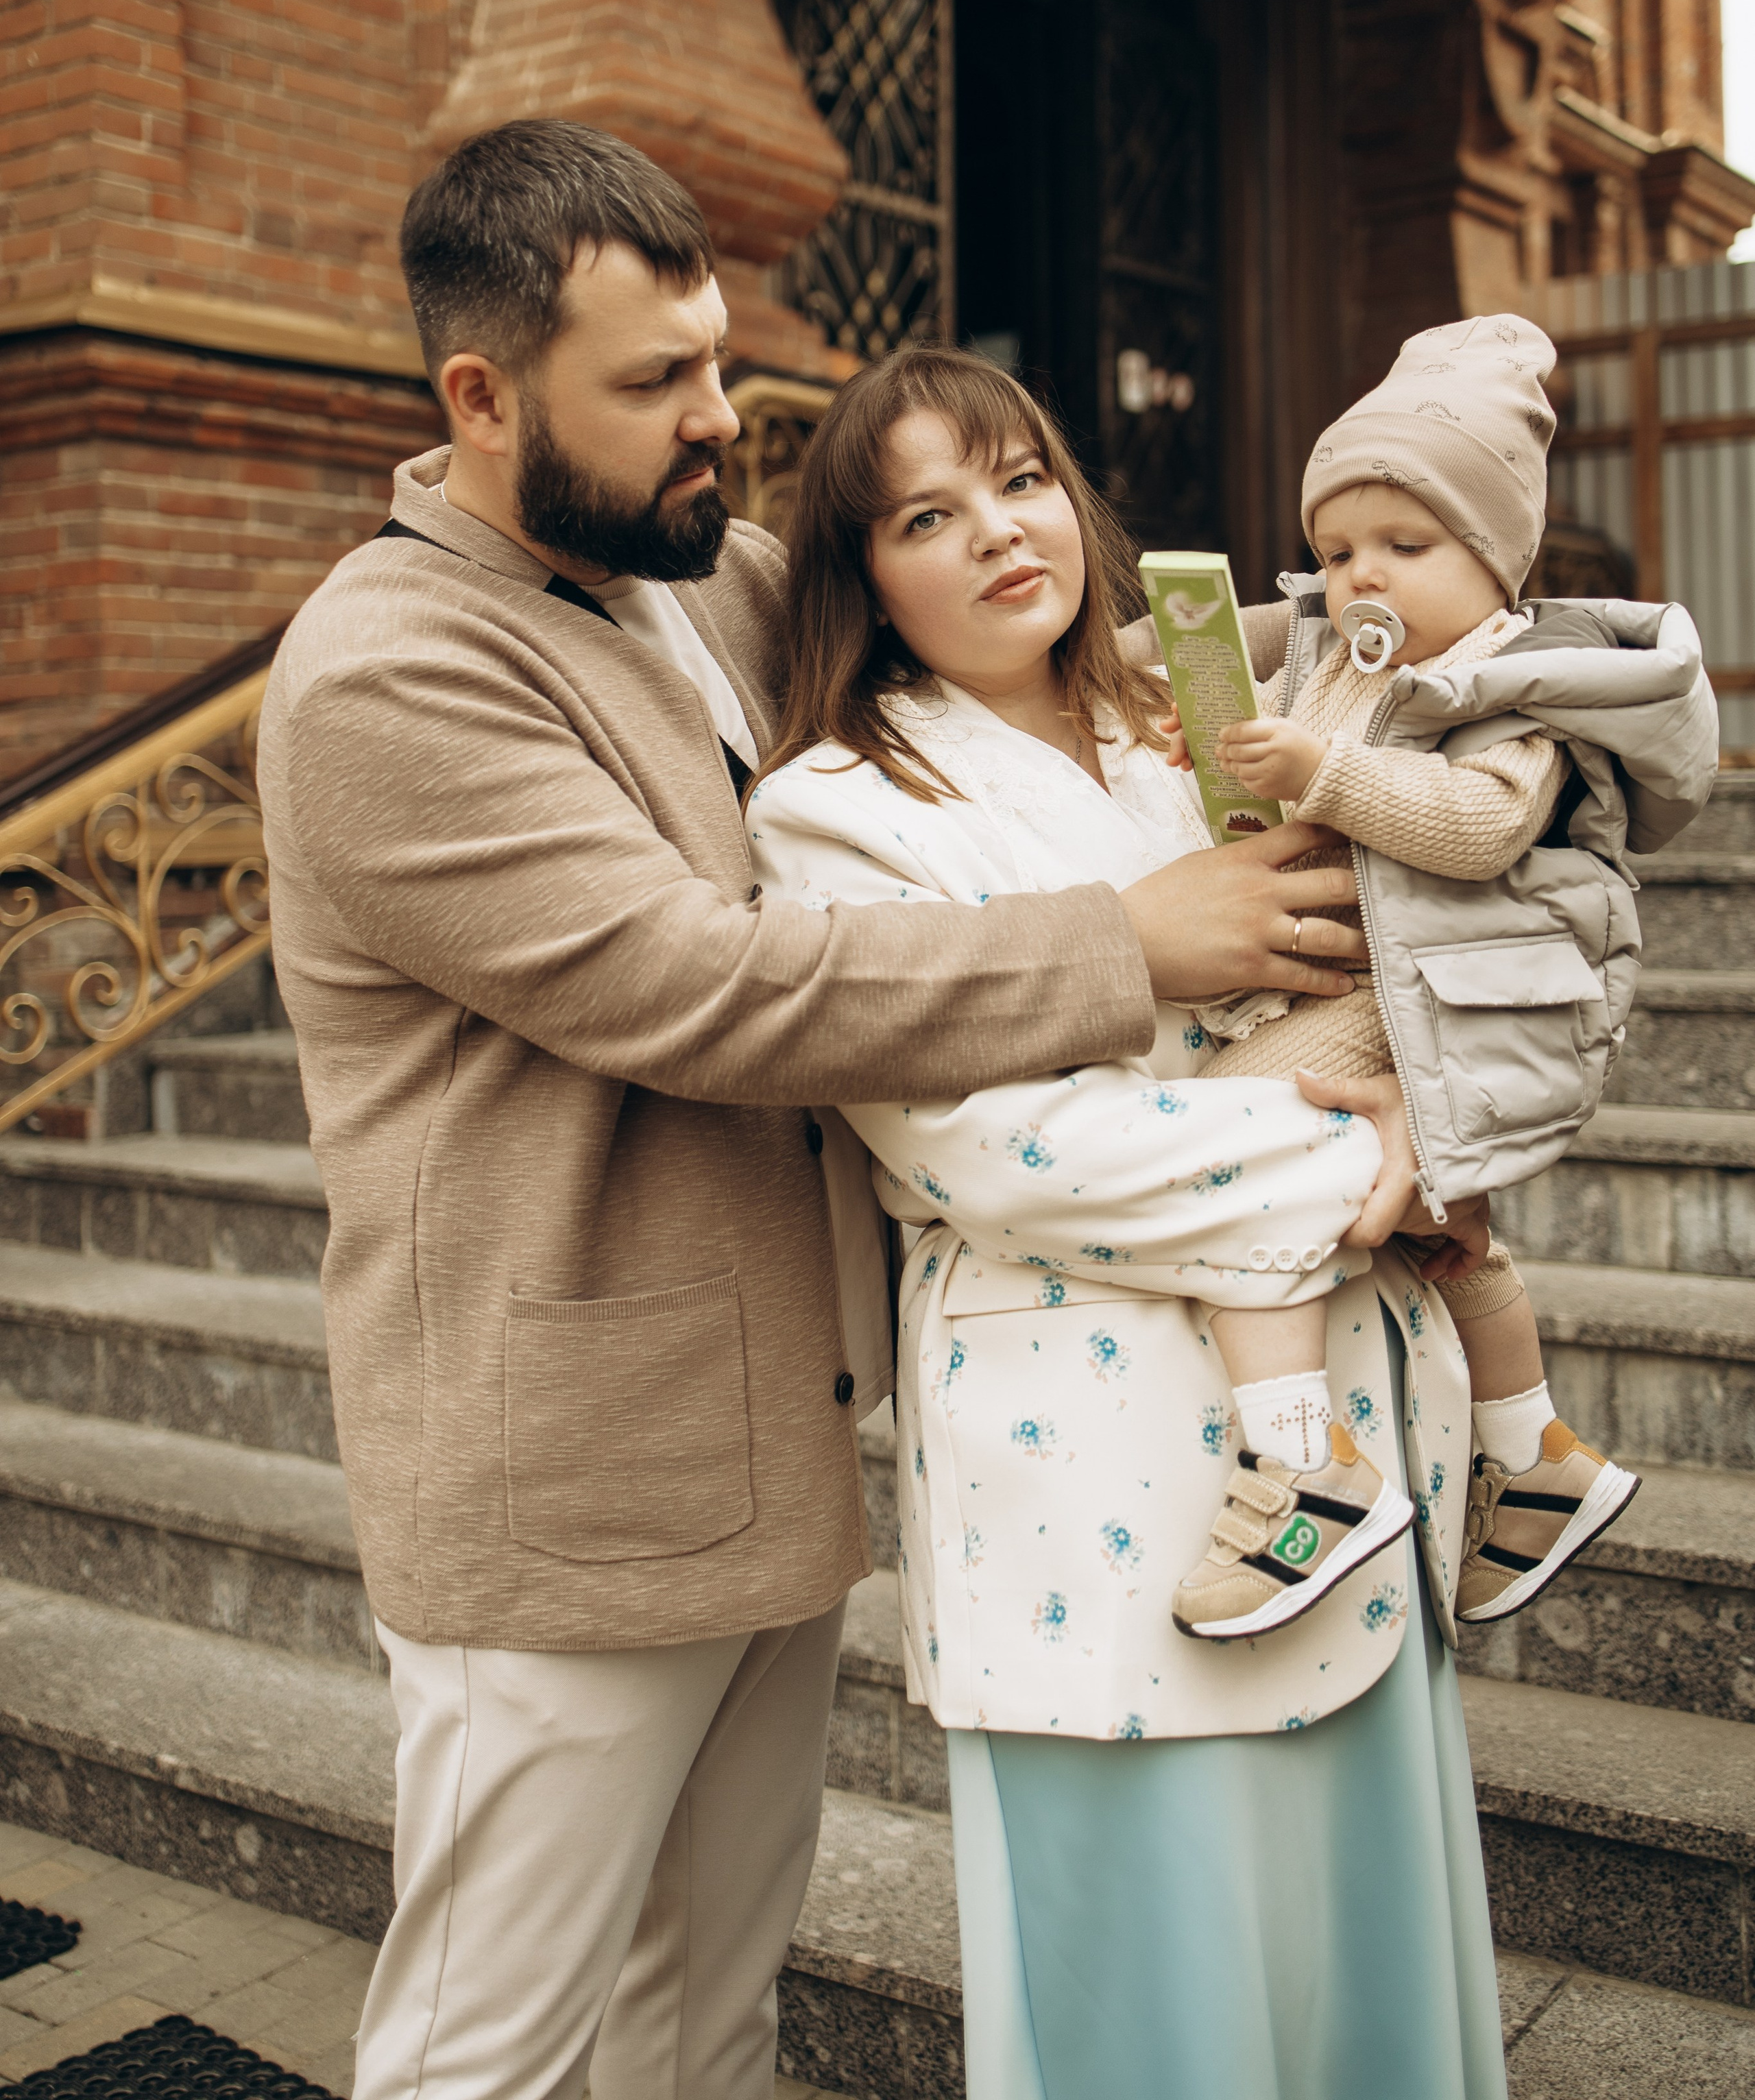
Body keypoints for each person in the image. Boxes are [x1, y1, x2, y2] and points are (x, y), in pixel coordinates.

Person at [255, 120, 1390, 2100]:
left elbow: (1014, 636)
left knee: (705, 2027)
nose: (721, 416)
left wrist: (1402, 634)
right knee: (487, 2056)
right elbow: (699, 984)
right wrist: (1127, 943)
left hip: (769, 1443)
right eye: (656, 384)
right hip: (567, 1484)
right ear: (479, 394)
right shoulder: (387, 672)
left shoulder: (700, 583)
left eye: (712, 360)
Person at [747, 343, 1506, 2100]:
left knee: (1366, 1996)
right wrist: (1360, 1179)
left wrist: (1433, 1122)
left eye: (1020, 479)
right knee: (1151, 2024)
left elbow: (1393, 976)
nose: (1000, 532)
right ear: (862, 578)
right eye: (926, 515)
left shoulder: (1201, 740)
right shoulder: (836, 815)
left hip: (1341, 1451)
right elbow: (988, 1149)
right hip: (1088, 1490)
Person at [1161, 314, 1714, 1643]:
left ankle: (1303, 1468)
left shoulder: (1510, 691)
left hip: (1431, 997)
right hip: (1354, 972)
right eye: (1339, 549)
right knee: (1438, 1233)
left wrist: (1327, 775)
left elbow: (1476, 829)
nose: (1361, 580)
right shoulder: (1324, 647)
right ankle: (1533, 1453)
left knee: (1223, 1144)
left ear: (1494, 566)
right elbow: (1143, 656)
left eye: (1405, 550)